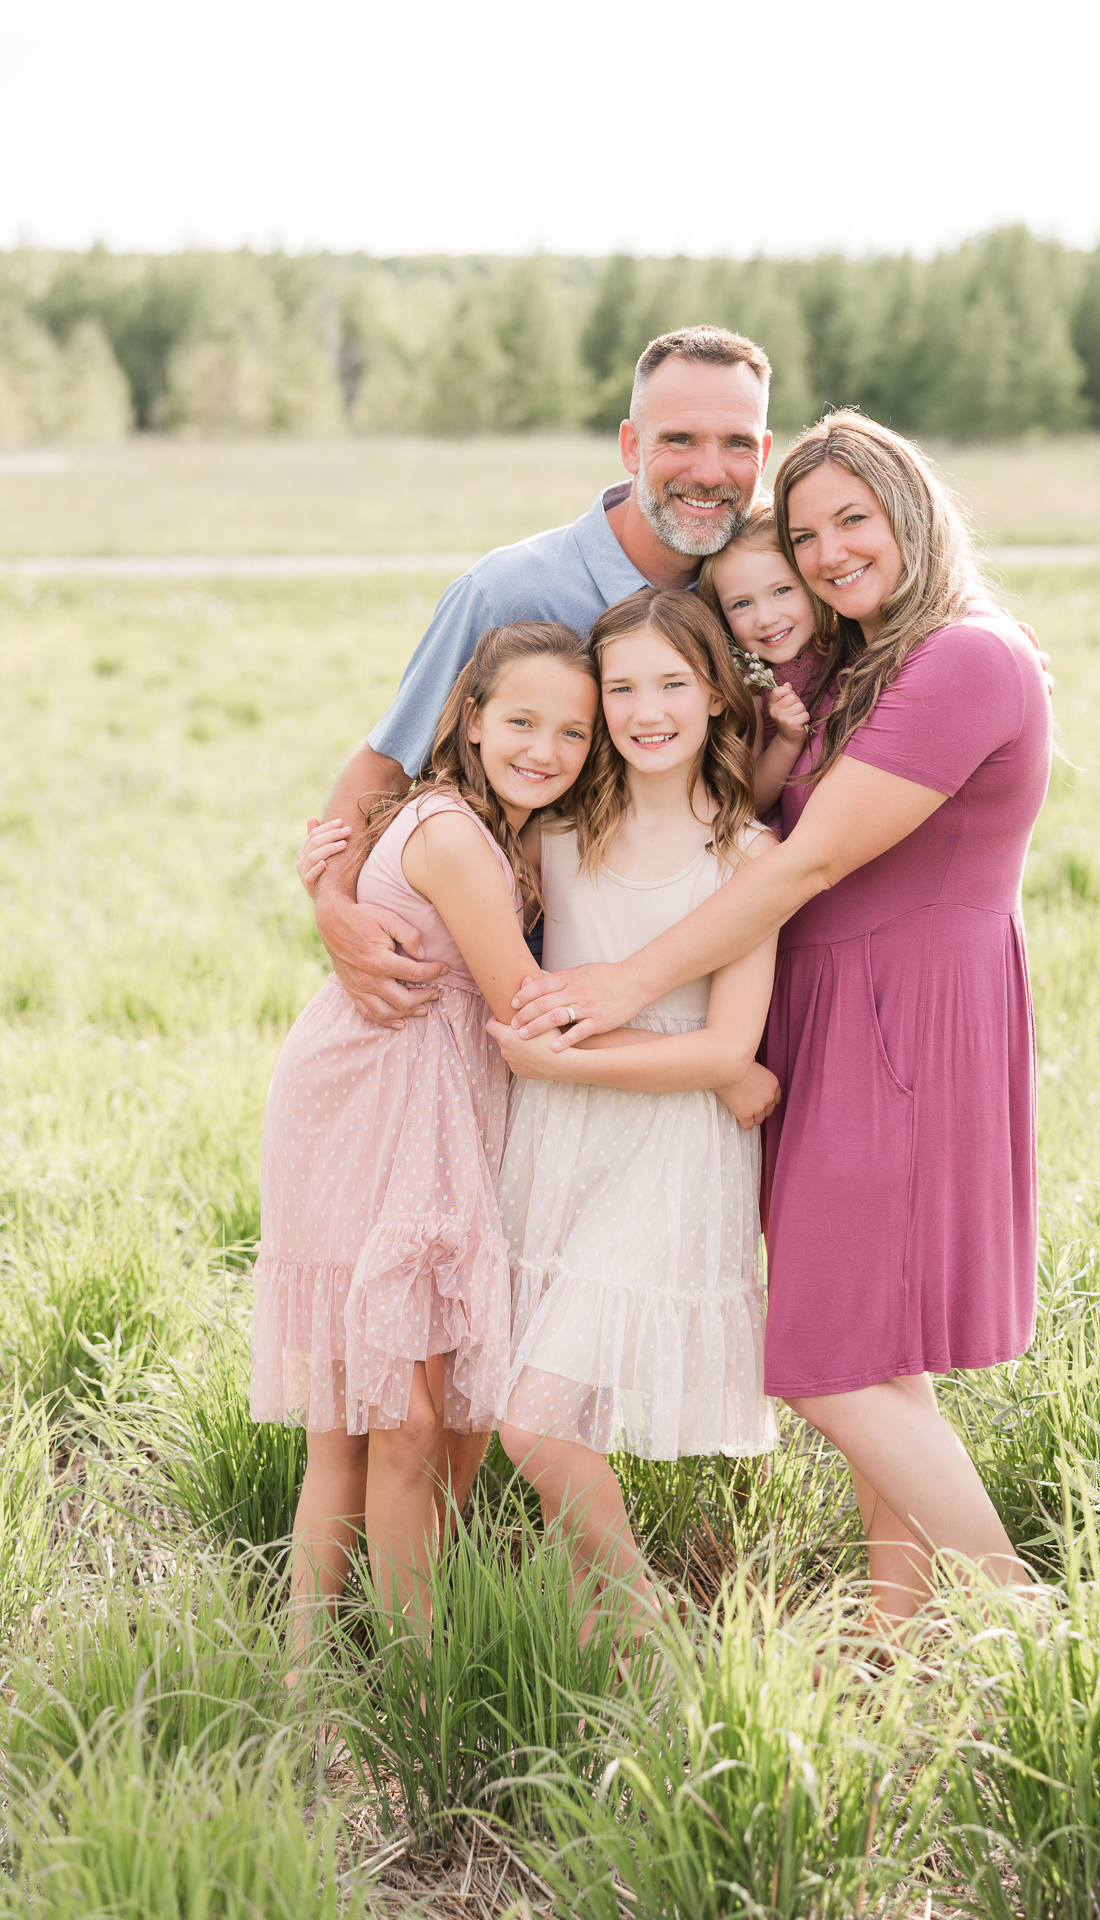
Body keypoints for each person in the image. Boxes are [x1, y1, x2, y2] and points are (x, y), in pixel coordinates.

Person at [509, 411, 1054, 1629]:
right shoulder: (867, 665)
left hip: (903, 1026)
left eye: (850, 519)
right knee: (876, 1359)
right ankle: (893, 1642)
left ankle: (1025, 1629)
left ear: (912, 507)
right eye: (803, 533)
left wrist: (622, 984)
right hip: (837, 1020)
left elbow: (801, 867)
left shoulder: (966, 657)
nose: (824, 554)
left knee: (825, 1365)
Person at [299, 324, 776, 1512]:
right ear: (629, 444)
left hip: (649, 1031)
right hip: (490, 1030)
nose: (704, 468)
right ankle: (442, 1604)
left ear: (760, 455)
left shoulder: (751, 588)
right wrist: (330, 909)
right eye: (678, 438)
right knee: (466, 1352)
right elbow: (377, 773)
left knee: (525, 1345)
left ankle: (500, 1572)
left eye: (733, 443)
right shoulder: (512, 590)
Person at [251, 622, 598, 1659]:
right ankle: (368, 1674)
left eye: (574, 733)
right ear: (470, 720)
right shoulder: (448, 832)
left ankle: (368, 1658)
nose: (545, 748)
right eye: (522, 721)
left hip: (437, 1104)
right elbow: (518, 999)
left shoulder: (506, 829)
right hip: (372, 1102)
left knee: (413, 1417)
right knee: (379, 1420)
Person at [486, 587, 781, 1633]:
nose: (645, 710)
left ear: (712, 692)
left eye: (671, 683)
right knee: (553, 1406)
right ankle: (591, 1639)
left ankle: (645, 1634)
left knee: (535, 1423)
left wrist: (577, 1064)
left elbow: (725, 1048)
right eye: (620, 688)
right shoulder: (555, 833)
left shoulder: (746, 857)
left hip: (665, 1152)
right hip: (557, 1147)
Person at [698, 503, 847, 817]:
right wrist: (786, 739)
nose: (766, 618)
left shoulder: (847, 643)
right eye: (741, 604)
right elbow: (750, 800)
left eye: (782, 590)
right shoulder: (748, 684)